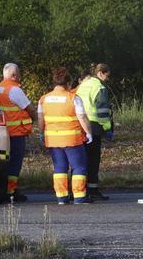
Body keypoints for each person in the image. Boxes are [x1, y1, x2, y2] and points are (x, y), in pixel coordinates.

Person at [38, 67, 92, 205]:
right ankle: (79, 197)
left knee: (59, 168)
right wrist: (88, 132)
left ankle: (61, 197)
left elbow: (40, 119)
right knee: (78, 167)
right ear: (68, 83)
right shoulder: (73, 97)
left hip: (53, 140)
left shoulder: (44, 99)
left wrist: (41, 133)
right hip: (72, 139)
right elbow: (82, 117)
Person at [0, 63, 37, 203]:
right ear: (13, 75)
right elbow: (29, 108)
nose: (20, 77)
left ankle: (3, 189)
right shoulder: (14, 90)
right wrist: (37, 119)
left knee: (6, 163)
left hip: (3, 132)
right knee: (15, 164)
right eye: (18, 74)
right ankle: (11, 192)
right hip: (16, 132)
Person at [76, 63, 113, 201]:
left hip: (80, 124)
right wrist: (107, 128)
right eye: (107, 75)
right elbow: (102, 110)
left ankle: (81, 188)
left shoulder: (83, 85)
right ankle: (93, 189)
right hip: (94, 125)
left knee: (82, 158)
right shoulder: (100, 87)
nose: (108, 79)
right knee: (93, 159)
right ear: (101, 73)